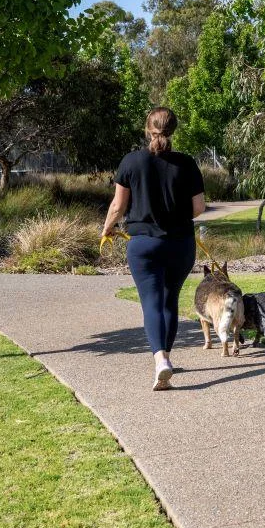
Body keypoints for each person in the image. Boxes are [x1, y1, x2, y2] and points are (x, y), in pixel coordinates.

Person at [100, 107, 206, 390]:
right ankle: (167, 358)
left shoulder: (131, 162)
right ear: (173, 131)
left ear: (148, 129)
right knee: (170, 299)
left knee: (151, 301)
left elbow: (118, 206)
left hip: (144, 245)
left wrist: (107, 227)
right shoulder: (187, 164)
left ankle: (160, 360)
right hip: (181, 244)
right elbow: (198, 208)